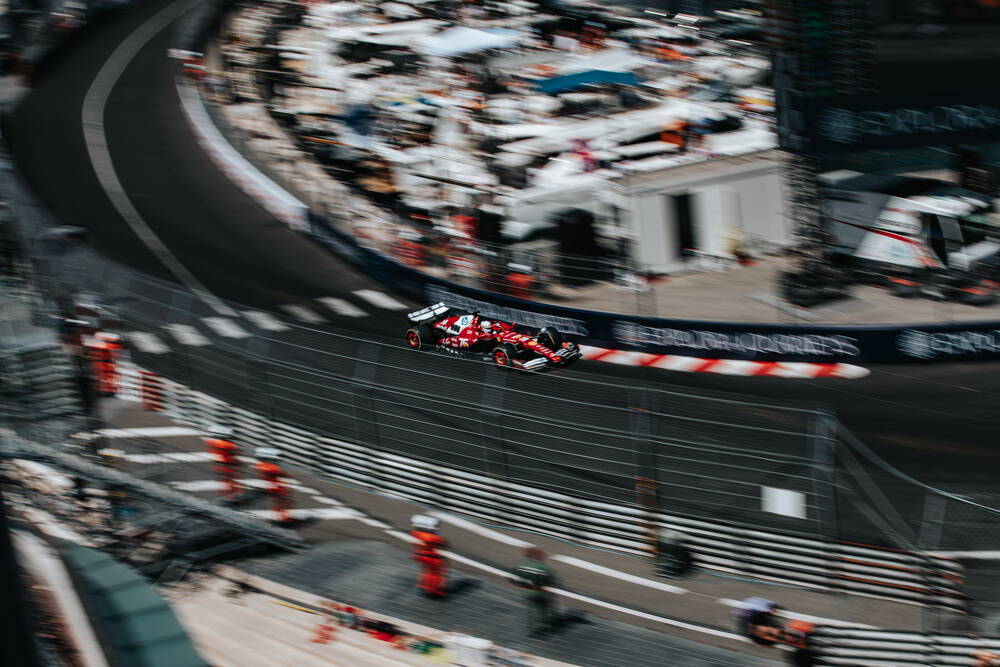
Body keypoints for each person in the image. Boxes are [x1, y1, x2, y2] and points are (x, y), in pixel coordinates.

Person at [512, 547, 558, 637]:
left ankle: (531, 630)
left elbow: (512, 577)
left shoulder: (521, 564)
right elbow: (552, 579)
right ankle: (544, 630)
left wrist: (521, 584)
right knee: (543, 611)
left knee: (531, 610)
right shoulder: (544, 567)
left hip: (527, 592)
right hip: (540, 593)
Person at [410, 515, 448, 598]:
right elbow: (443, 544)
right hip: (431, 557)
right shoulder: (433, 538)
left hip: (421, 555)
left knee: (425, 570)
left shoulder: (415, 534)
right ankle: (432, 591)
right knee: (435, 573)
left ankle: (422, 586)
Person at [205, 426, 241, 501]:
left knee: (222, 480)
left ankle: (222, 496)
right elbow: (233, 453)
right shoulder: (229, 445)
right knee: (231, 481)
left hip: (218, 464)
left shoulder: (212, 442)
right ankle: (232, 497)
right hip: (228, 465)